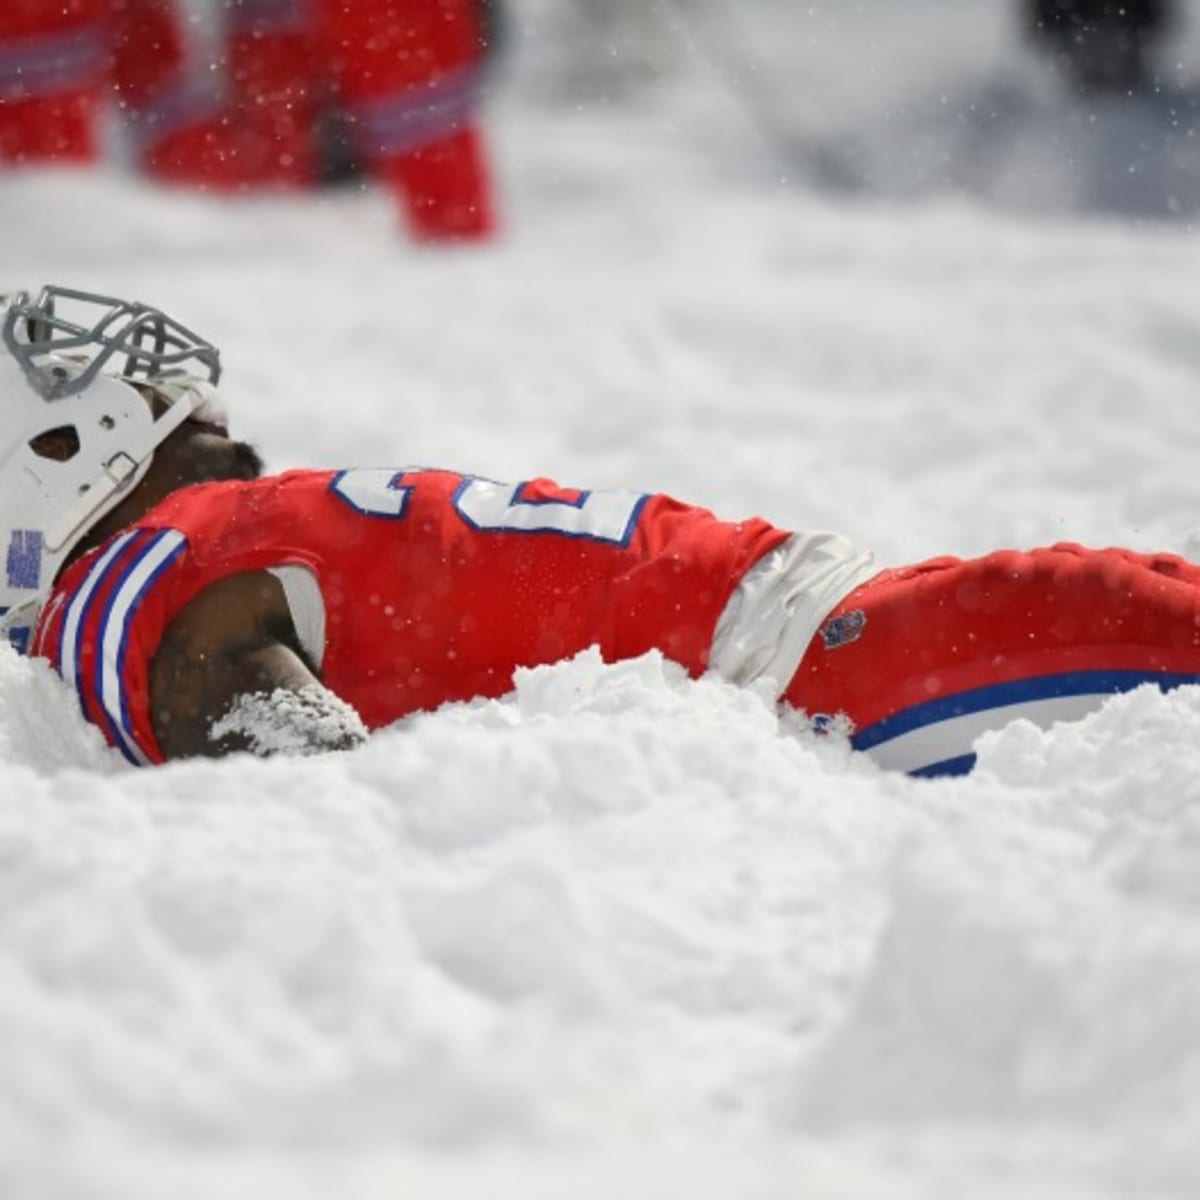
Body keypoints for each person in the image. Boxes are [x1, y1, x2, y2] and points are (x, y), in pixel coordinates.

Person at [4, 286, 1200, 775]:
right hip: (842, 671)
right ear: (46, 467)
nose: (141, 376)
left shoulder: (206, 538)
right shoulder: (153, 578)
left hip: (851, 621)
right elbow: (313, 782)